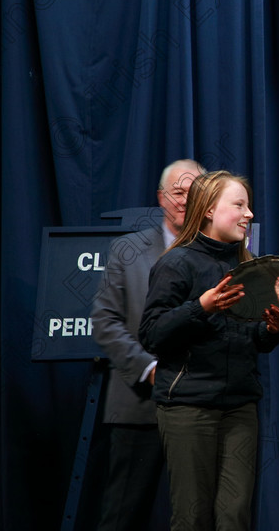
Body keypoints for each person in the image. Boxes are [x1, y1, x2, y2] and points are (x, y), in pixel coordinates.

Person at [139, 170, 279, 531]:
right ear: (209, 210)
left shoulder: (246, 266)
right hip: (188, 408)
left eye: (249, 206)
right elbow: (151, 335)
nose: (249, 214)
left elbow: (251, 338)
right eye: (239, 205)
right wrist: (202, 307)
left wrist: (274, 327)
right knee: (192, 518)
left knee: (234, 517)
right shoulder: (177, 263)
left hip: (239, 408)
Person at [92, 158, 205, 530]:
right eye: (178, 193)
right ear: (161, 198)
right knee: (123, 515)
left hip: (203, 408)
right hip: (138, 406)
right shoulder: (127, 250)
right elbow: (105, 322)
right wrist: (148, 368)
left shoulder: (221, 254)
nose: (186, 201)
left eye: (195, 193)